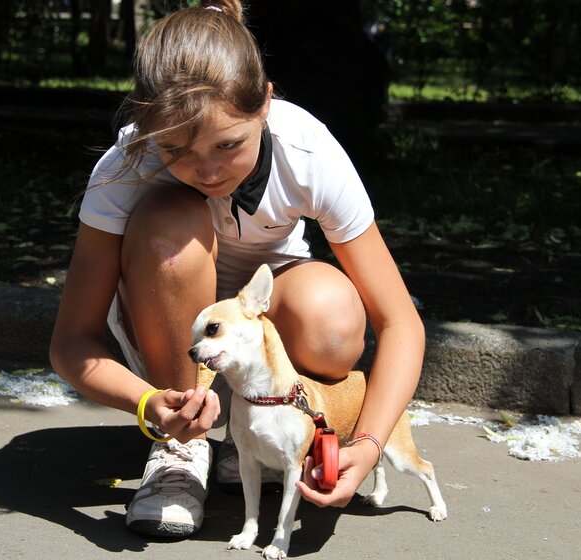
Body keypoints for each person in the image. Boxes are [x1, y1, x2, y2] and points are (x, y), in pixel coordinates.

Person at [49, 0, 425, 538]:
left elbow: (400, 323)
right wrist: (148, 404)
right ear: (146, 124)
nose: (207, 171)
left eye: (229, 145)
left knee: (336, 319)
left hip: (267, 332)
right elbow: (72, 341)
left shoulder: (308, 149)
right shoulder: (127, 163)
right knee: (169, 224)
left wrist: (366, 446)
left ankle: (267, 428)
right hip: (168, 334)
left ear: (266, 102)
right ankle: (183, 449)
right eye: (176, 149)